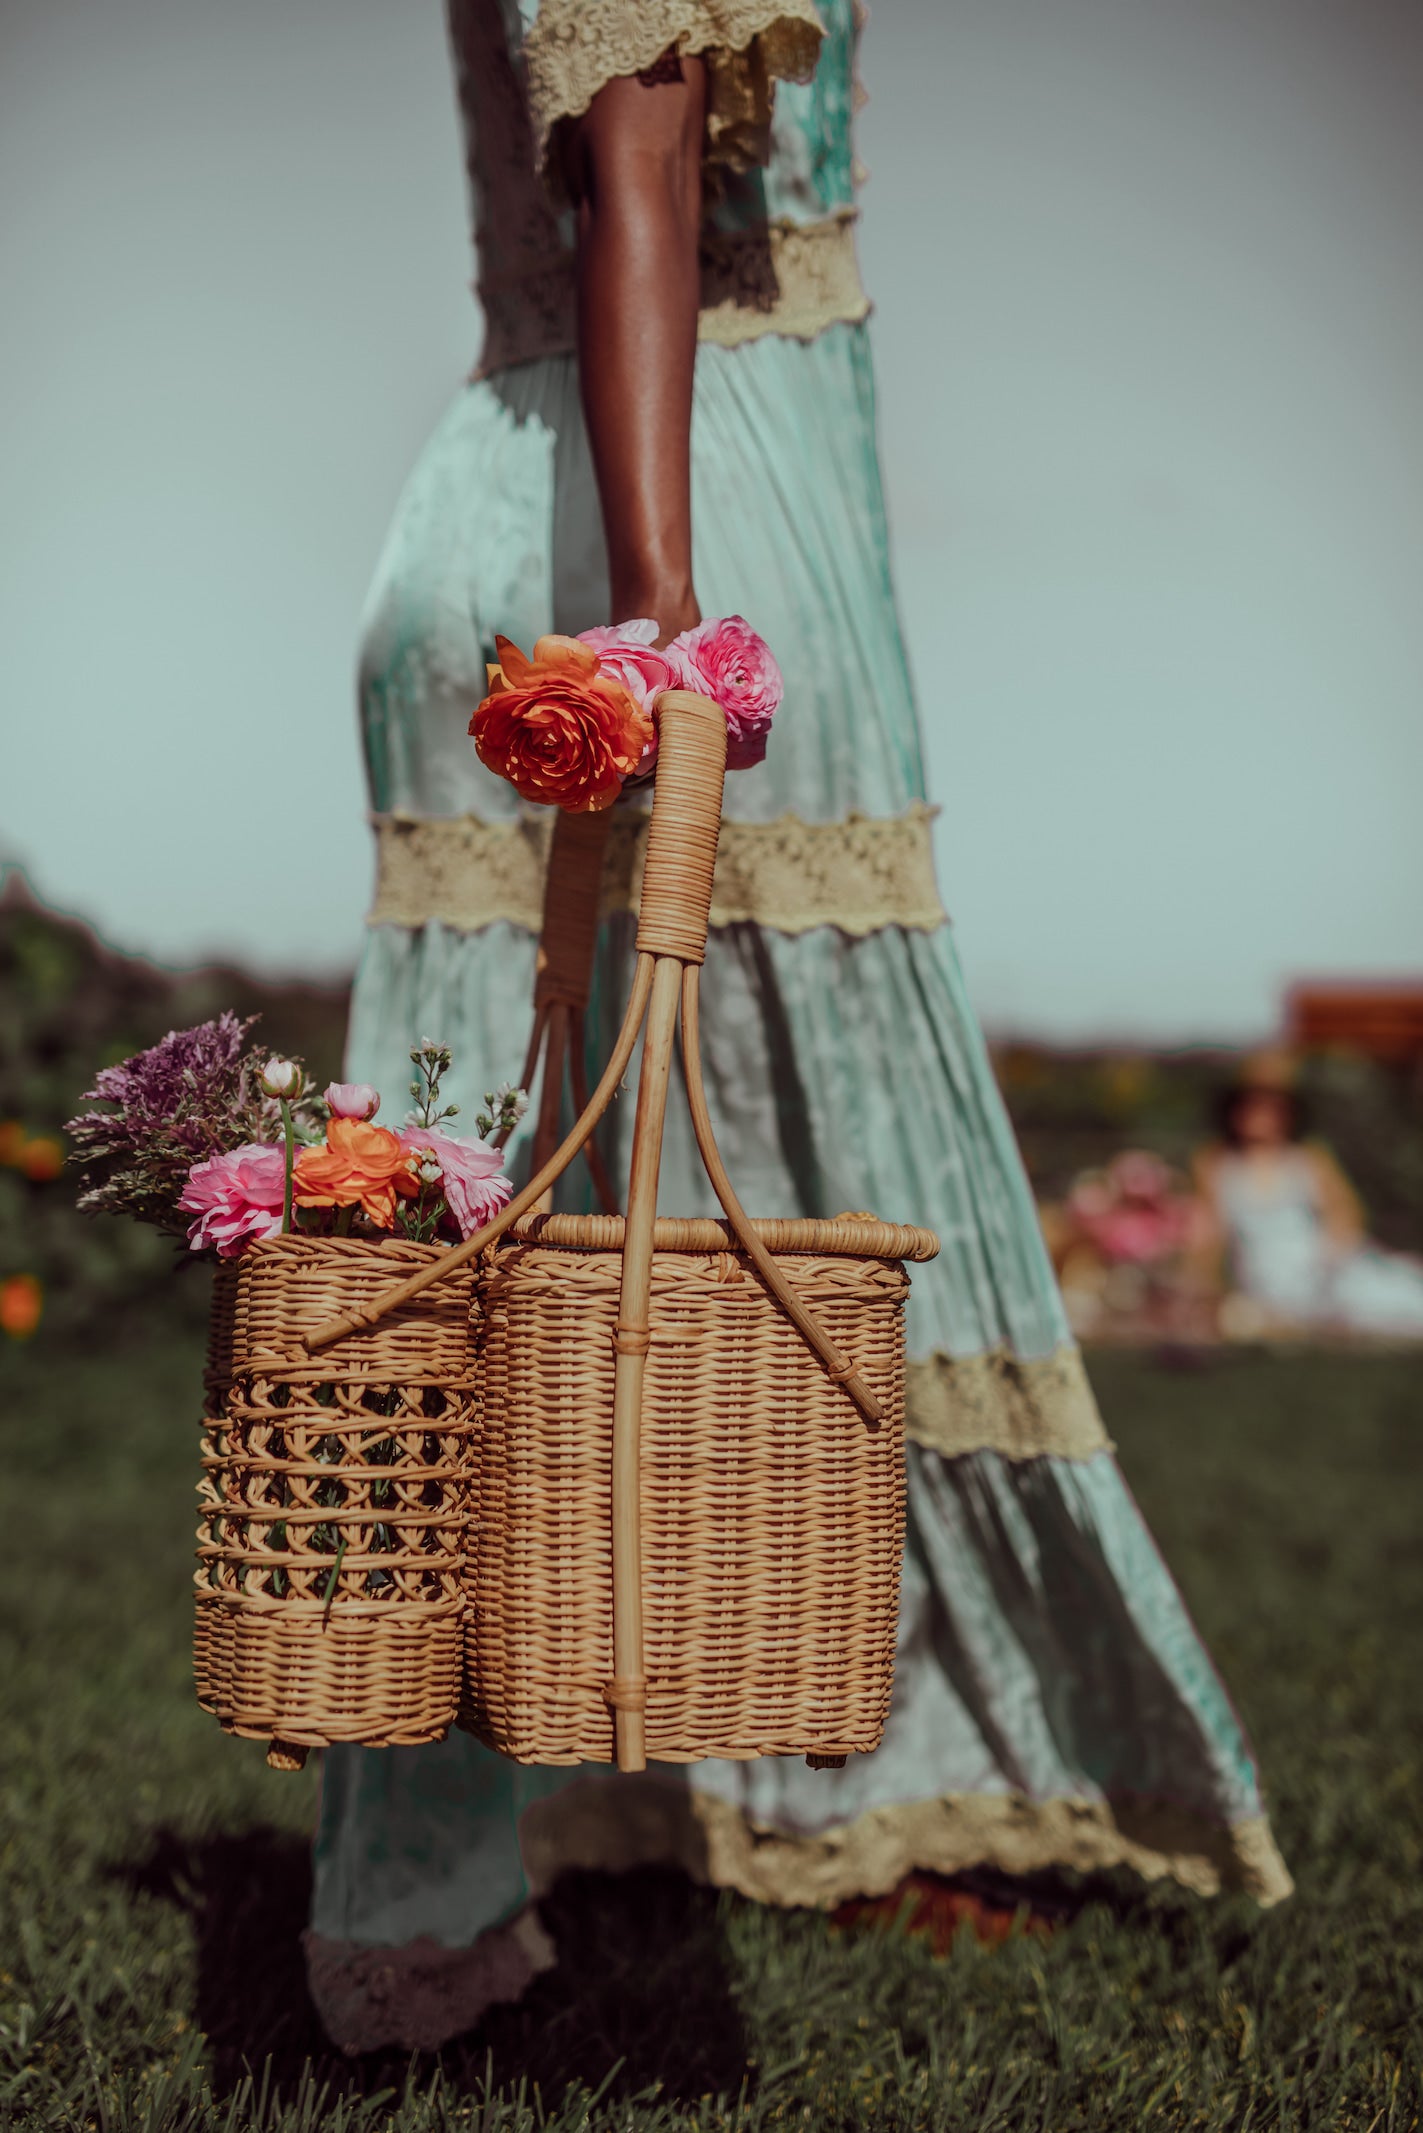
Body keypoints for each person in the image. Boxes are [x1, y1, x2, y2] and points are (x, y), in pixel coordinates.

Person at [305, 0, 1290, 2053]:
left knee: (498, 1223)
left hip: (561, 478)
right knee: (803, 1196)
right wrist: (668, 624)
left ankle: (473, 1880)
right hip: (671, 517)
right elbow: (639, 170)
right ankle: (909, 1772)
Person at [1194, 1054, 1423, 1339]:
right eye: (1251, 1105)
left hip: (1321, 1267)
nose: (1260, 1114)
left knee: (1396, 1298)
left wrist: (1331, 1254)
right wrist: (1202, 1286)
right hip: (1266, 1279)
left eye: (1271, 1106)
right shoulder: (1216, 1163)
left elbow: (1345, 1214)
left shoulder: (1309, 1159)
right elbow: (1208, 1232)